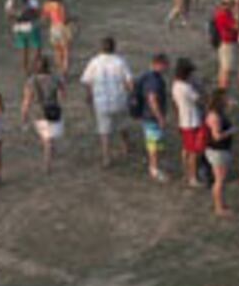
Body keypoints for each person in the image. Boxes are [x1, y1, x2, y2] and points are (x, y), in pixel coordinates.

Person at [79, 36, 133, 168]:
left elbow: (87, 81)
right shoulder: (120, 61)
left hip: (101, 101)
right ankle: (126, 146)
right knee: (122, 124)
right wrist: (130, 94)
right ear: (114, 47)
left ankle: (106, 157)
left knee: (104, 131)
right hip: (119, 98)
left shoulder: (94, 62)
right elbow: (129, 81)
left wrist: (89, 96)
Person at [20, 56, 66, 174]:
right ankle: (50, 154)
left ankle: (47, 164)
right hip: (53, 110)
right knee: (49, 138)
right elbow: (62, 95)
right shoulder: (55, 78)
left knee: (46, 139)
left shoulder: (31, 81)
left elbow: (27, 100)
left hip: (39, 112)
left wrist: (24, 115)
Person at [135, 53, 171, 182]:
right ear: (158, 64)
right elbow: (152, 99)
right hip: (151, 117)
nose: (167, 67)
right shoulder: (154, 80)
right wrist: (160, 117)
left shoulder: (145, 75)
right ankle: (154, 168)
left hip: (146, 115)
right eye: (165, 64)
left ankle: (154, 164)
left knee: (154, 142)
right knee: (154, 144)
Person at [170, 57, 204, 187]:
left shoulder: (176, 85)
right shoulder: (186, 88)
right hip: (192, 121)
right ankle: (193, 177)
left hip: (183, 120)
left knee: (186, 149)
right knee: (194, 152)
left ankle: (186, 172)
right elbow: (200, 99)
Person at [203, 89, 235, 218]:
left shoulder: (217, 113)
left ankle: (220, 203)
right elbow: (217, 136)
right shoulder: (215, 116)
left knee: (220, 179)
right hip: (218, 151)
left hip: (219, 150)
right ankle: (218, 207)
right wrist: (231, 131)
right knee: (219, 180)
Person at [42, 0, 74, 76]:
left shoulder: (47, 4)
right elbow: (64, 19)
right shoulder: (60, 4)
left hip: (53, 28)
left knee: (57, 51)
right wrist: (72, 19)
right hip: (62, 28)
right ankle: (64, 72)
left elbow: (45, 17)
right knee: (66, 51)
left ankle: (59, 70)